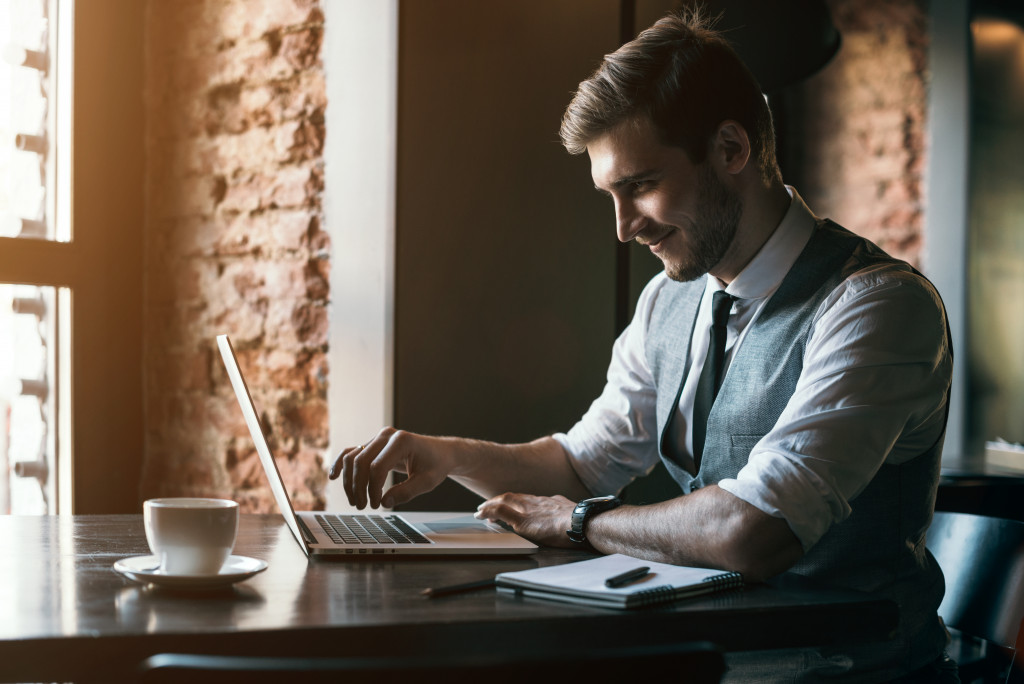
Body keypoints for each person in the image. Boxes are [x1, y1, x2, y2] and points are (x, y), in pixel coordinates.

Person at [329, 10, 954, 682]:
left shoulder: (876, 307)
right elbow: (578, 466)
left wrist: (579, 523)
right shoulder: (668, 298)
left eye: (641, 186)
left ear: (731, 149)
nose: (625, 229)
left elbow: (754, 531)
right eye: (610, 196)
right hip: (711, 662)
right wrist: (446, 454)